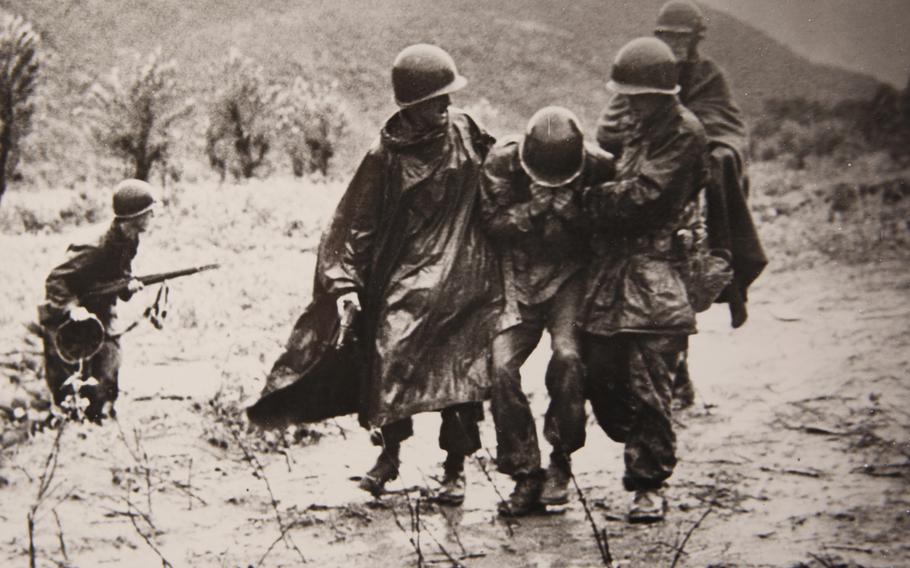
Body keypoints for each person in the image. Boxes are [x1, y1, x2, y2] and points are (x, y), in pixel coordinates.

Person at [248, 44, 500, 505]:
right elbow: (355, 225)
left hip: (466, 272)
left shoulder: (466, 130)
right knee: (389, 351)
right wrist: (344, 284)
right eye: (437, 99)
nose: (447, 105)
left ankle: (455, 467)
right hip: (408, 274)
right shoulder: (384, 155)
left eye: (449, 97)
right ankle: (388, 456)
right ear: (412, 106)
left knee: (462, 370)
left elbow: (498, 179)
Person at [596, 0, 767, 407]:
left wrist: (696, 150)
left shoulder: (707, 76)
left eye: (680, 37)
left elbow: (725, 127)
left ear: (694, 40)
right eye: (666, 36)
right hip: (642, 185)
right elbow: (608, 128)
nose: (673, 44)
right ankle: (668, 377)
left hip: (689, 194)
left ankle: (675, 375)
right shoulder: (643, 71)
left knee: (680, 286)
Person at [582, 37, 708, 523]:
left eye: (635, 94)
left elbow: (646, 198)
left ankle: (648, 483)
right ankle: (636, 445)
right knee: (601, 375)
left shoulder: (684, 133)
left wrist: (590, 200)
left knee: (649, 380)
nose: (627, 102)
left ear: (659, 94)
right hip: (615, 270)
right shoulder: (639, 125)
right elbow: (618, 172)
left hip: (658, 274)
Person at [479, 107, 614, 515]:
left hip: (569, 277)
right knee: (501, 367)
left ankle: (561, 458)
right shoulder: (501, 163)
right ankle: (525, 472)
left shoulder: (598, 167)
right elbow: (490, 223)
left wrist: (575, 212)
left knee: (569, 358)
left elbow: (612, 224)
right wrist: (534, 210)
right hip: (516, 277)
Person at [38, 179, 156, 422]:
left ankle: (100, 419)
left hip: (101, 309)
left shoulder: (129, 239)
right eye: (148, 212)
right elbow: (55, 280)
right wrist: (72, 309)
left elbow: (117, 276)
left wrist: (127, 286)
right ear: (134, 216)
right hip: (66, 313)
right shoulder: (94, 246)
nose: (153, 215)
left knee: (109, 363)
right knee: (66, 377)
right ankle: (66, 422)